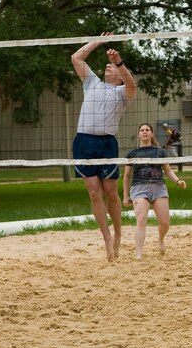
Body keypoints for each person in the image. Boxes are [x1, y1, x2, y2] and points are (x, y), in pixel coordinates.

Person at [71, 32, 137, 262]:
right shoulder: (92, 83)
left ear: (119, 75)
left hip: (106, 143)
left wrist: (118, 61)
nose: (108, 68)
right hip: (83, 142)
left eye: (112, 68)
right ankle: (107, 238)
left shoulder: (123, 92)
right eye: (107, 66)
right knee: (93, 192)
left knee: (110, 192)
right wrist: (98, 42)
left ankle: (118, 233)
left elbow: (132, 83)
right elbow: (76, 58)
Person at [123, 123, 186, 259]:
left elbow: (168, 170)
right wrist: (125, 195)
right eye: (142, 130)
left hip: (158, 187)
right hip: (139, 187)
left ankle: (161, 239)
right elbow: (127, 175)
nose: (144, 132)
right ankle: (138, 254)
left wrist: (177, 181)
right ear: (138, 134)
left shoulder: (159, 152)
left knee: (164, 223)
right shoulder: (132, 154)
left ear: (151, 134)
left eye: (147, 130)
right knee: (141, 220)